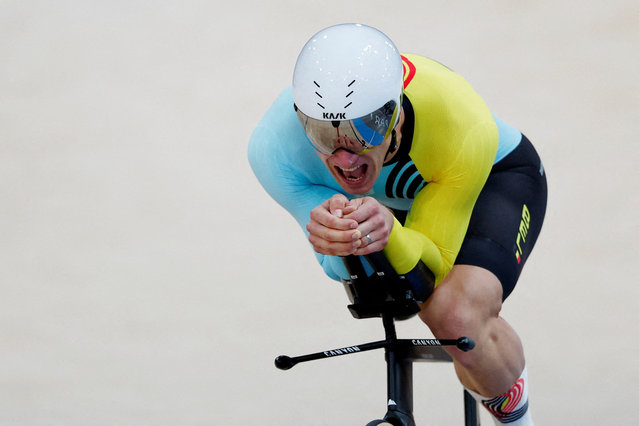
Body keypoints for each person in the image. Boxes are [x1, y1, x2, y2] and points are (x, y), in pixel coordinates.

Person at [248, 23, 546, 425]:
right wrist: (338, 240)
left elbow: (433, 264)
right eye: (321, 133)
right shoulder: (274, 148)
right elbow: (345, 272)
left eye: (364, 131)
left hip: (489, 180)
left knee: (455, 315)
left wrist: (389, 231)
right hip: (395, 207)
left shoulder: (459, 118)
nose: (346, 159)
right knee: (384, 287)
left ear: (396, 116)